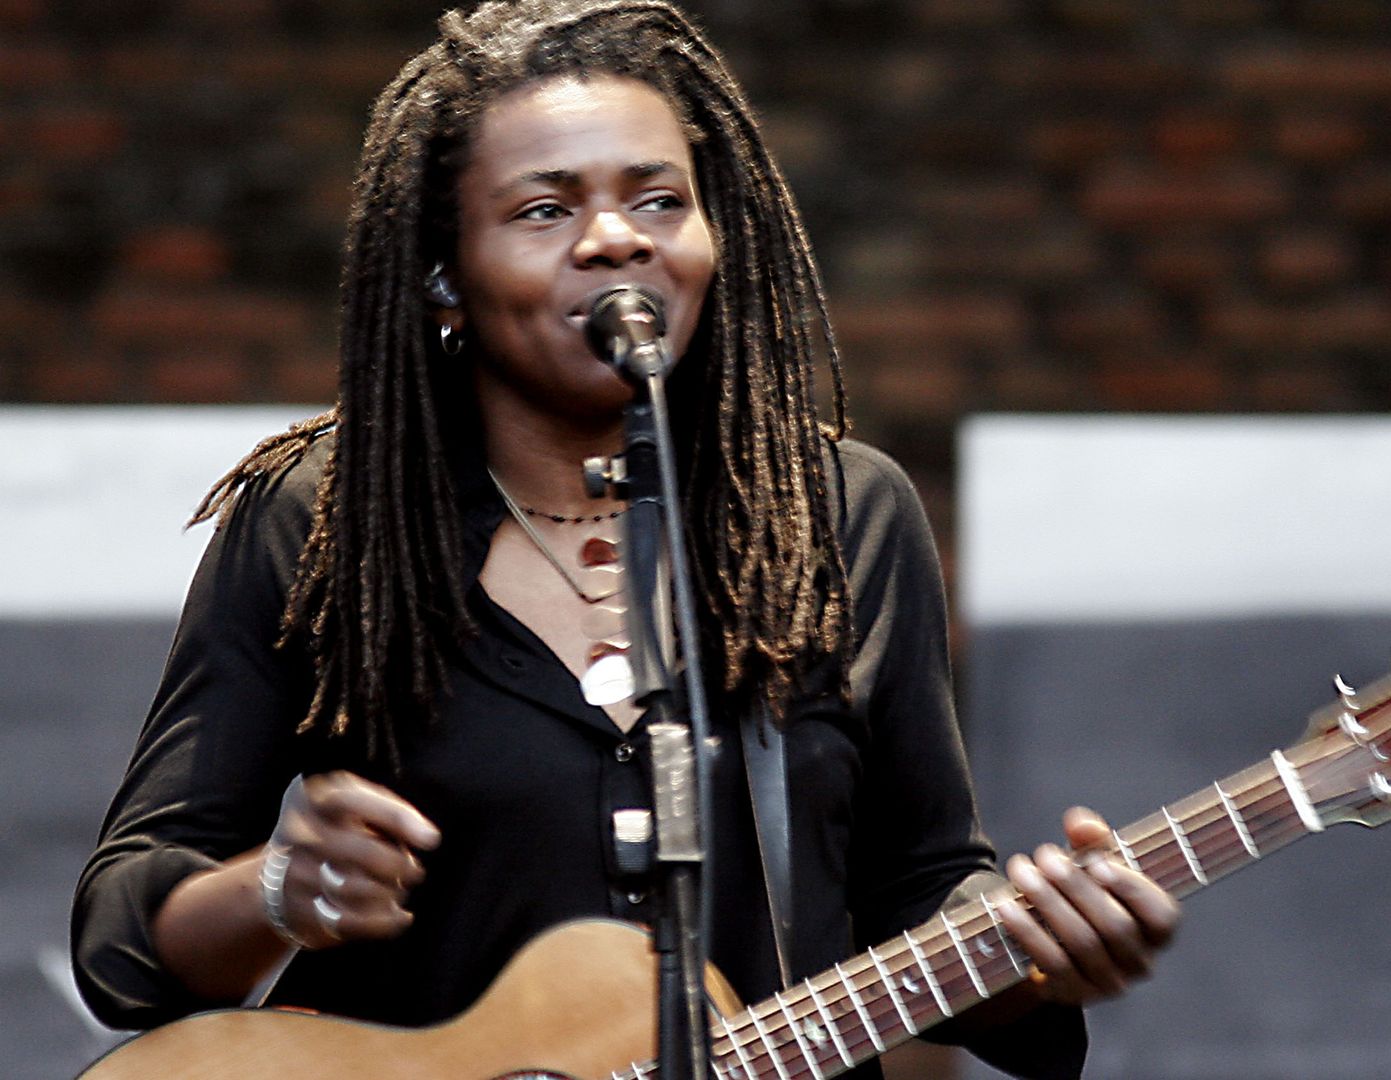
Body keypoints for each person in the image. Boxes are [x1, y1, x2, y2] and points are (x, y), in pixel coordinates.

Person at [70, 2, 1178, 1076]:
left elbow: (919, 885)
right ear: (446, 275)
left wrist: (1049, 956)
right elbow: (125, 943)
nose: (614, 240)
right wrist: (278, 891)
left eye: (657, 199)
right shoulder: (328, 523)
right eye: (545, 210)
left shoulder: (840, 515)